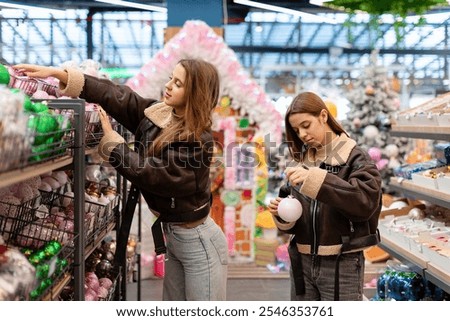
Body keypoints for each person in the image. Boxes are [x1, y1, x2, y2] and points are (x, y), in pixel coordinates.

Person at [14, 59, 229, 301]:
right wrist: (63, 75)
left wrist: (117, 148)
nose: (168, 85)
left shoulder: (198, 140)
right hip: (176, 236)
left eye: (178, 84)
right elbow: (119, 97)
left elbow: (158, 176)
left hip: (198, 241)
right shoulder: (161, 116)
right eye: (171, 78)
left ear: (194, 93)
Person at [268, 91, 382, 301]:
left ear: (323, 116)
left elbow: (365, 203)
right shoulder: (301, 160)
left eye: (306, 125)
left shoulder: (355, 157)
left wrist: (316, 180)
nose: (302, 134)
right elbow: (292, 205)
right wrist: (282, 212)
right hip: (302, 262)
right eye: (296, 129)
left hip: (342, 262)